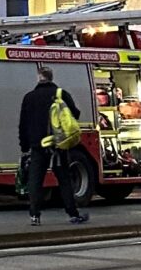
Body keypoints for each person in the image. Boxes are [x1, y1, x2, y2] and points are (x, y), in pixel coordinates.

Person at [17, 65, 89, 226]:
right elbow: (75, 114)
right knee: (64, 178)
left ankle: (34, 216)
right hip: (58, 144)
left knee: (35, 180)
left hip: (38, 145)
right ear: (51, 77)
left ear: (38, 78)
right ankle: (72, 214)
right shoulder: (60, 94)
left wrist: (24, 146)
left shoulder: (29, 97)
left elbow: (23, 124)